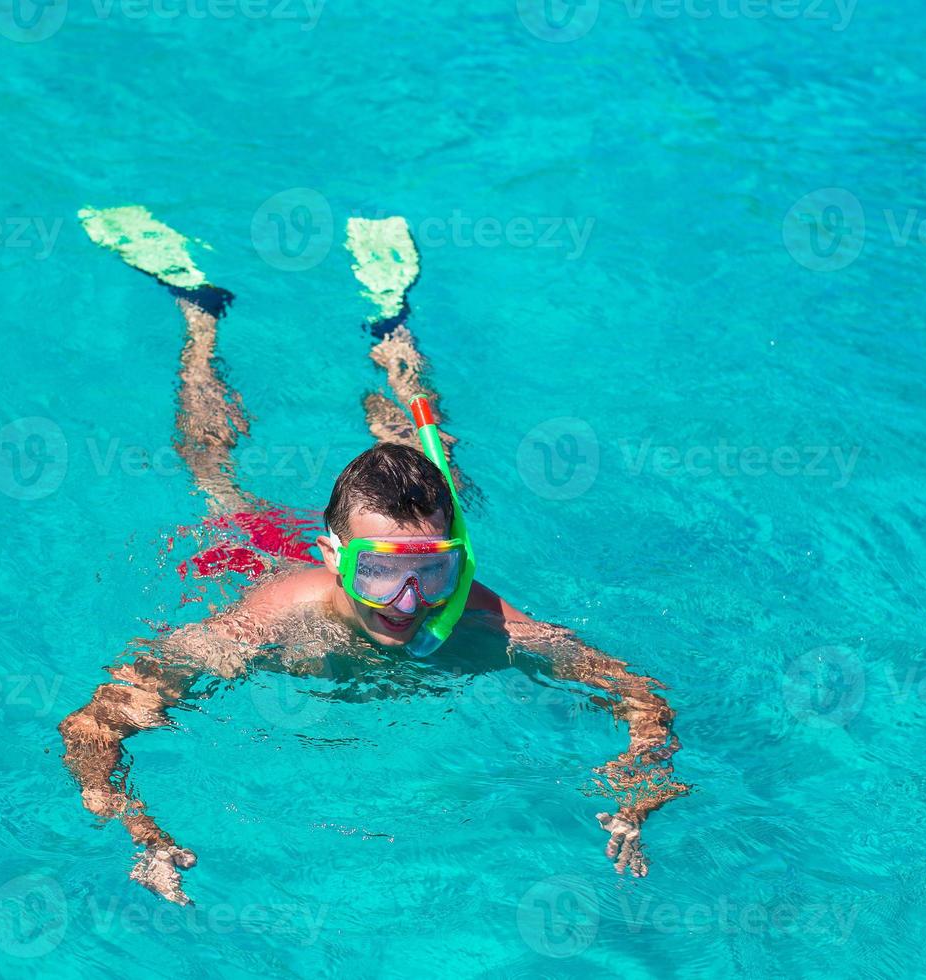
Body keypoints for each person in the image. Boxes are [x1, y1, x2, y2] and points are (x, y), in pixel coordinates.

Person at [59, 207, 687, 905]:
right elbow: (96, 720)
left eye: (432, 572)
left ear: (458, 561)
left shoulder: (484, 620)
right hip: (260, 548)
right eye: (380, 572)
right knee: (213, 475)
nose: (409, 603)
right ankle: (200, 318)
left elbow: (641, 698)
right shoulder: (275, 620)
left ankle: (393, 338)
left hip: (383, 528)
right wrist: (139, 829)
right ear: (336, 559)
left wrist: (637, 789)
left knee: (431, 455)